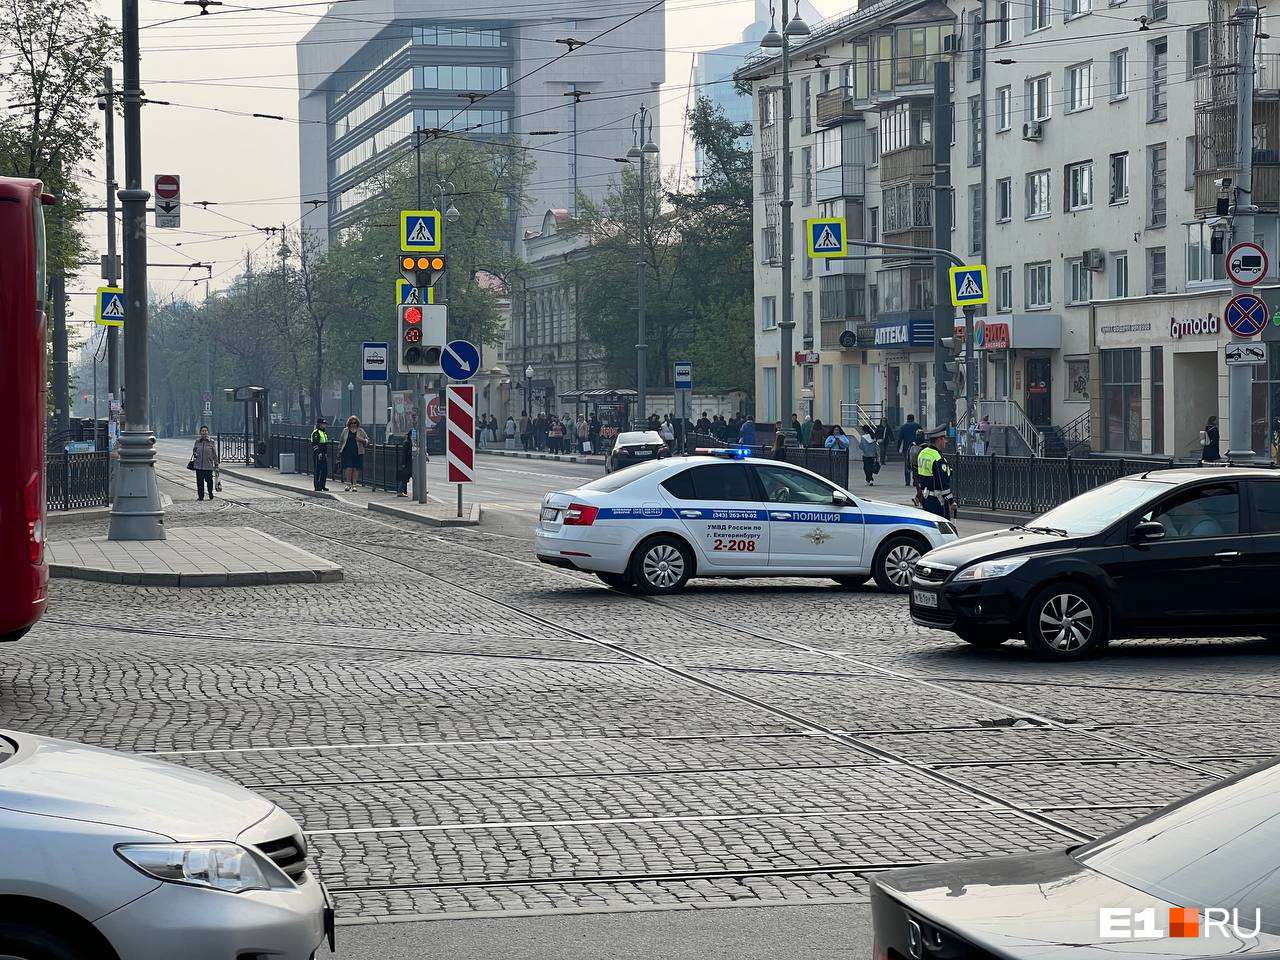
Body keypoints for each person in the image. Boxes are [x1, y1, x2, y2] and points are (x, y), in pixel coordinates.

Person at [917, 428, 955, 519]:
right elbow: (942, 483)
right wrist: (951, 501)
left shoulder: (922, 453)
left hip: (926, 498)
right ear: (939, 440)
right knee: (942, 528)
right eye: (944, 438)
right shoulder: (937, 457)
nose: (946, 441)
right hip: (938, 501)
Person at [337, 416, 369, 491]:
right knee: (349, 468)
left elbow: (367, 440)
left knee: (356, 469)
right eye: (351, 423)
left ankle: (354, 484)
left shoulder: (361, 431)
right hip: (347, 452)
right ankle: (348, 484)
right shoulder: (345, 430)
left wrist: (362, 440)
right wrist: (339, 451)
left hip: (358, 452)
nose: (353, 424)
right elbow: (341, 441)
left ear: (357, 423)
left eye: (355, 423)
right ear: (349, 423)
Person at [191, 425, 218, 501]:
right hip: (199, 465)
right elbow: (194, 450)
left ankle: (210, 492)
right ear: (200, 432)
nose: (204, 432)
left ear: (208, 432)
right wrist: (195, 453)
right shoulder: (197, 441)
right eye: (203, 431)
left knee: (209, 481)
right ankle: (201, 496)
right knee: (200, 482)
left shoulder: (211, 442)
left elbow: (214, 453)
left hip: (208, 465)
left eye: (205, 431)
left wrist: (216, 462)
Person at [897, 414, 920, 485]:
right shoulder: (918, 426)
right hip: (916, 447)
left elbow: (900, 438)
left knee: (907, 464)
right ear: (913, 419)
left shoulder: (903, 427)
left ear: (907, 419)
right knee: (915, 464)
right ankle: (915, 481)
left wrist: (898, 448)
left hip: (907, 448)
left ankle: (907, 481)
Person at [907, 428, 927, 507]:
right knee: (922, 484)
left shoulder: (912, 445)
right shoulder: (925, 446)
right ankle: (918, 498)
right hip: (922, 468)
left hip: (914, 467)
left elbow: (908, 456)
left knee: (917, 484)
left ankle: (919, 498)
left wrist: (908, 465)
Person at [310, 416, 330, 491]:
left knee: (324, 470)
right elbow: (315, 444)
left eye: (325, 424)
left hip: (323, 452)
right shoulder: (316, 433)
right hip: (318, 453)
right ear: (319, 424)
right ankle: (317, 486)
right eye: (323, 424)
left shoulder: (323, 432)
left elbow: (325, 444)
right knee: (317, 470)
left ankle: (322, 485)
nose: (324, 425)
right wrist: (319, 453)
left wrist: (325, 453)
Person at [396, 429, 413, 497]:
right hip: (408, 464)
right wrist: (403, 463)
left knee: (407, 478)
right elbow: (404, 454)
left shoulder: (412, 443)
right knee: (404, 478)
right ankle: (400, 491)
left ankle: (401, 491)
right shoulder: (407, 443)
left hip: (411, 463)